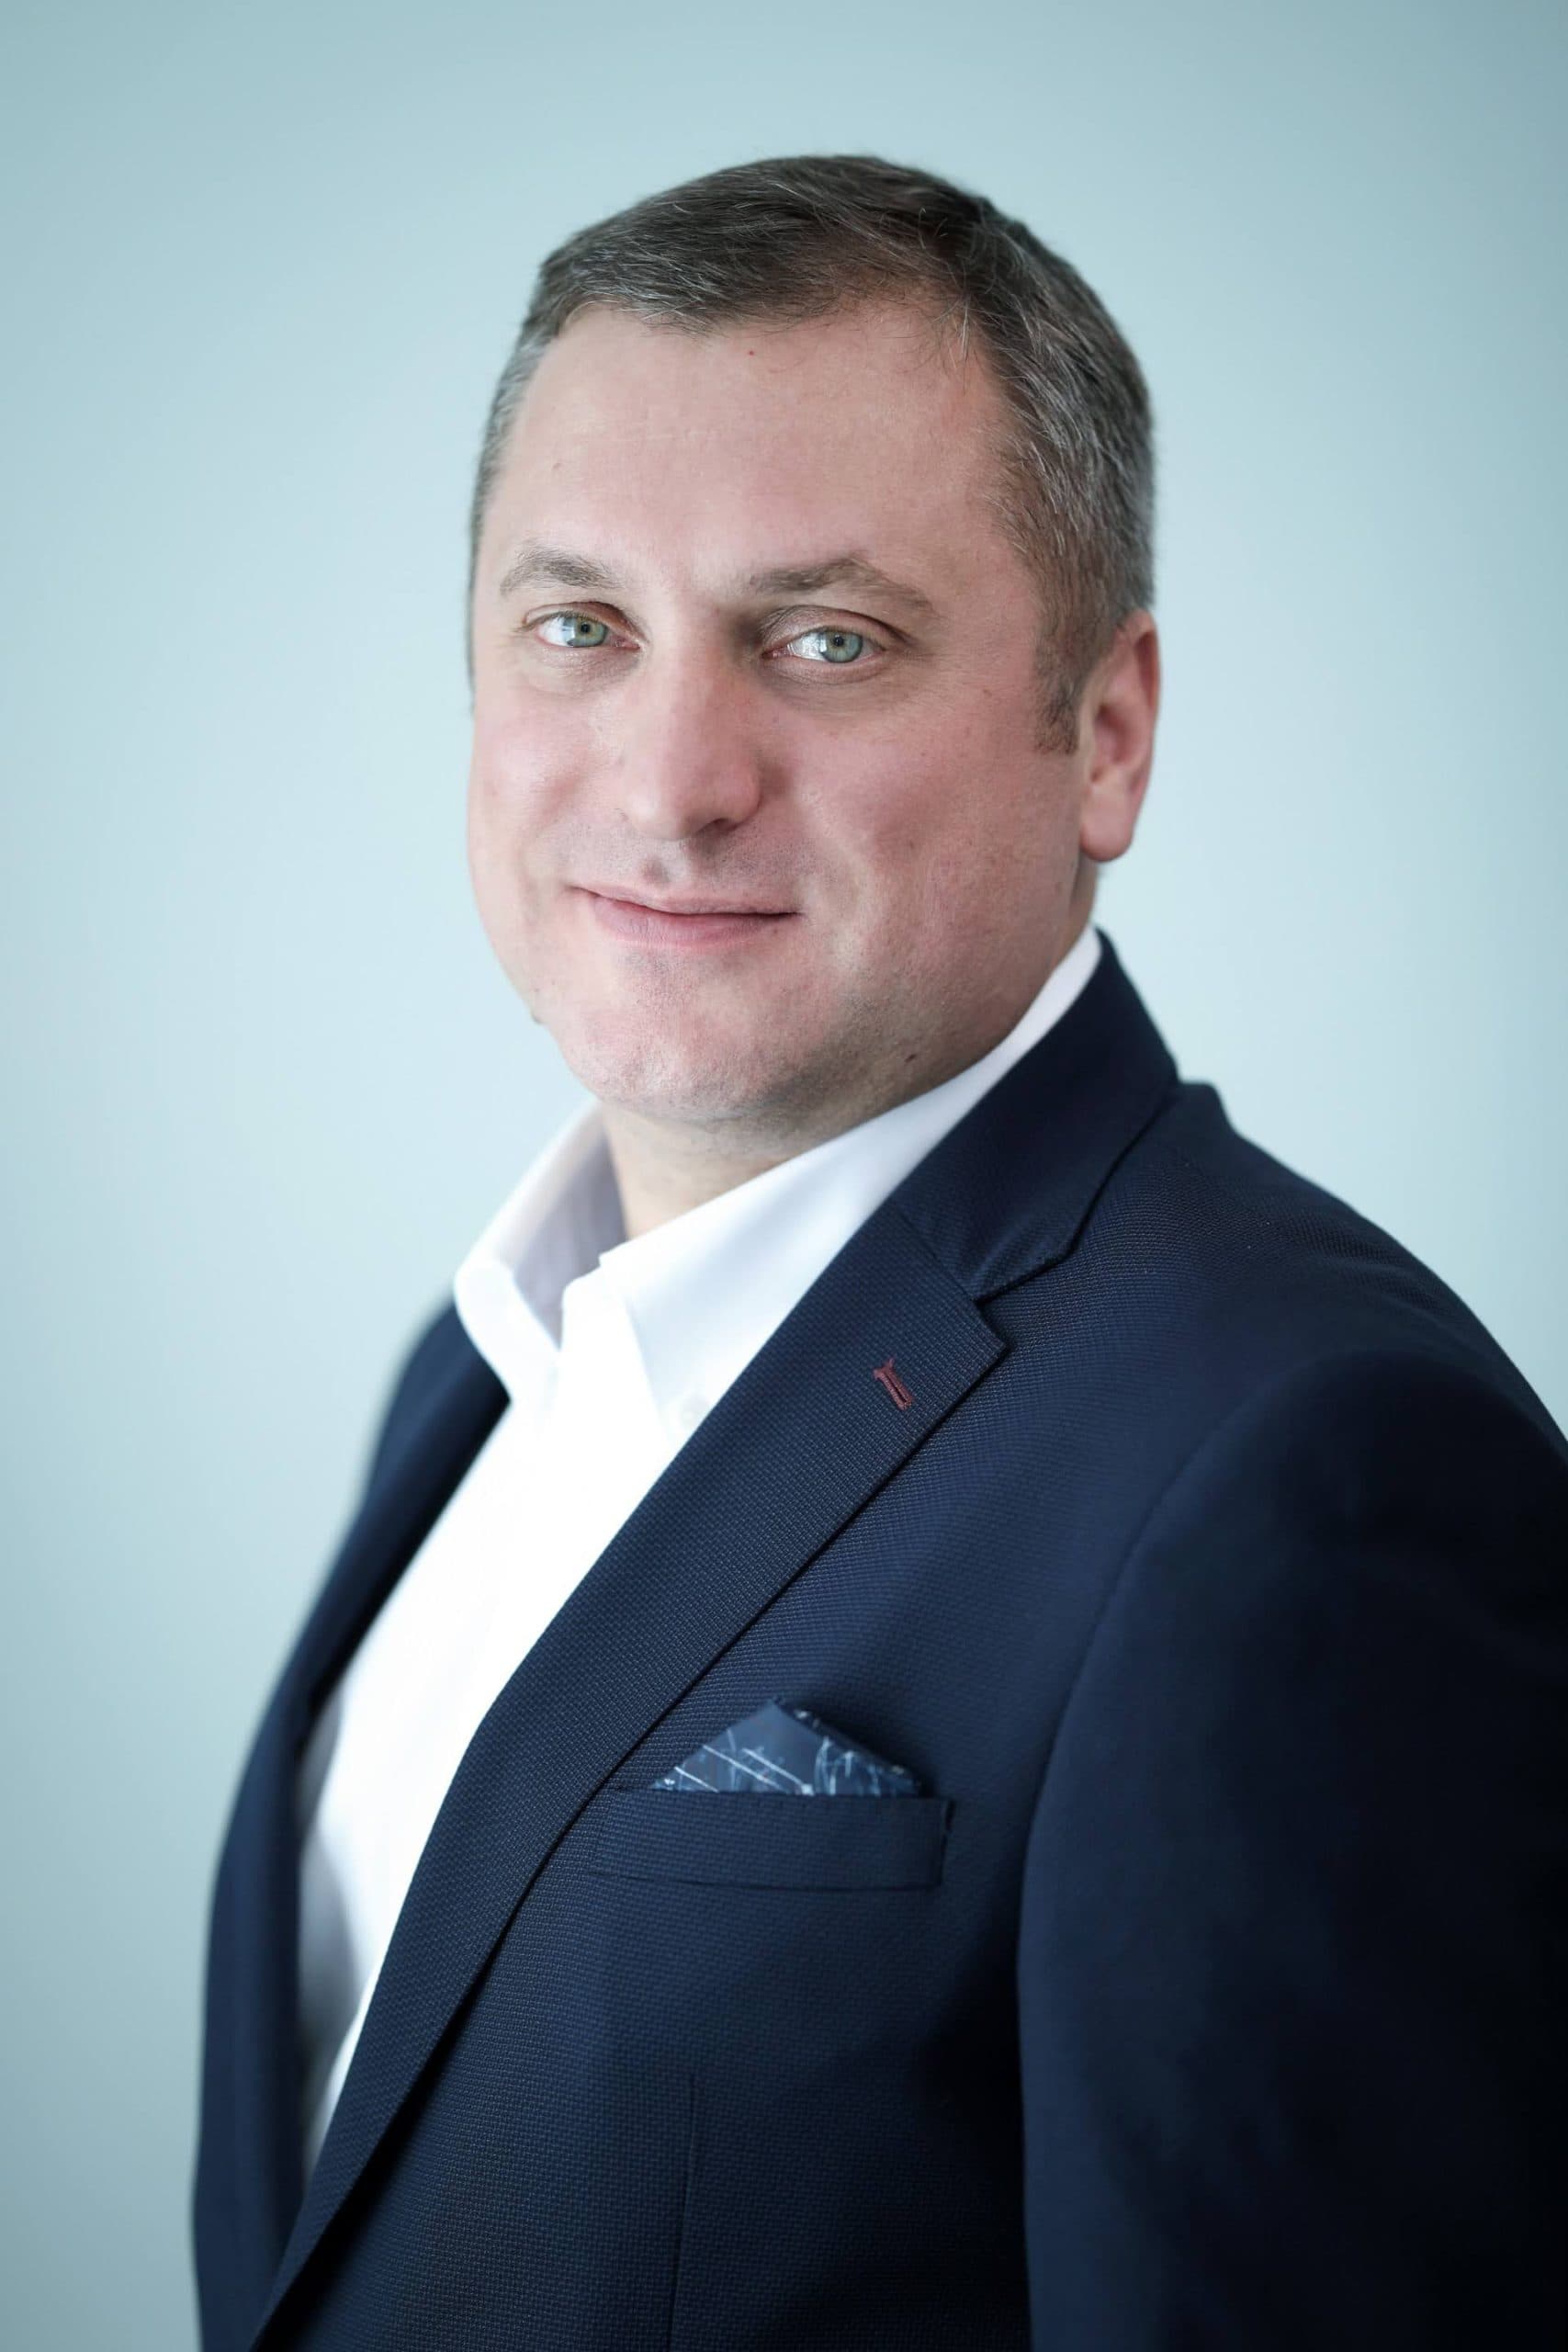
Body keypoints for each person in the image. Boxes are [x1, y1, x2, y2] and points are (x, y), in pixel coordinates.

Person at [191, 153, 1568, 2351]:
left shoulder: (1308, 1465)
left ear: (1103, 732)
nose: (671, 779)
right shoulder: (478, 1374)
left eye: (823, 640)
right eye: (579, 626)